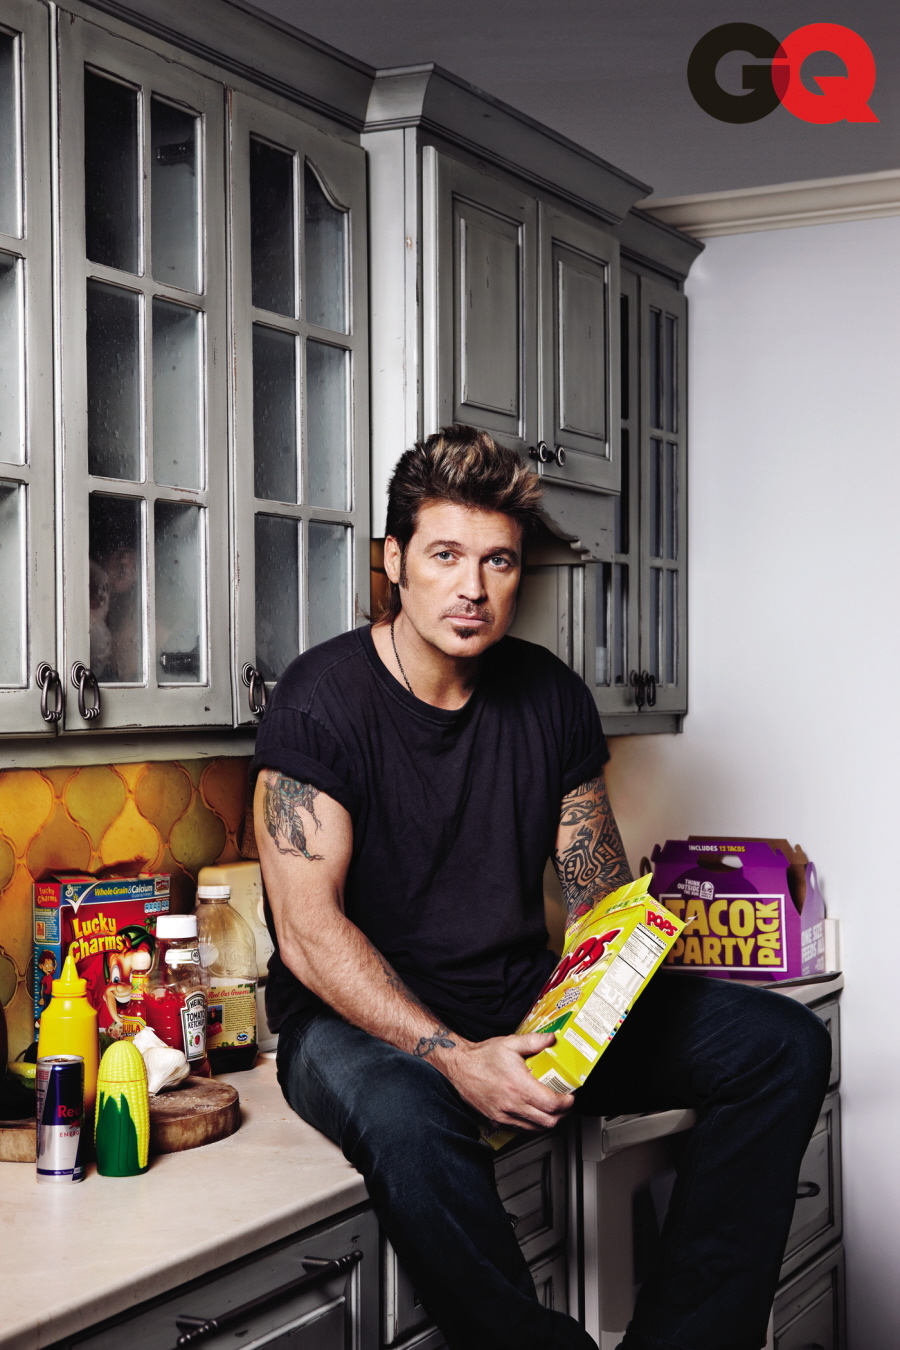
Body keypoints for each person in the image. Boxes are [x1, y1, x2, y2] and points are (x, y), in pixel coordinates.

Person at [251, 425, 831, 1350]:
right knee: (409, 1120)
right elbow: (308, 933)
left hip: (523, 1000)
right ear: (394, 561)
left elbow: (599, 896)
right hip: (356, 1025)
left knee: (782, 1044)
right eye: (445, 555)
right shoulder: (319, 701)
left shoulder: (551, 696)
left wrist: (608, 980)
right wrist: (454, 1057)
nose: (473, 589)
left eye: (499, 561)